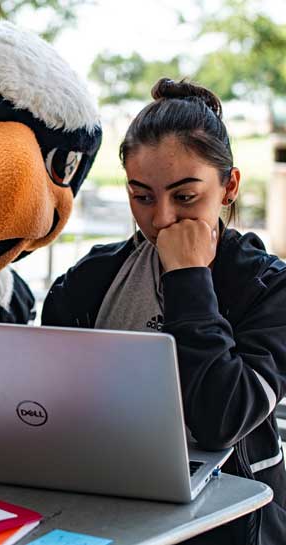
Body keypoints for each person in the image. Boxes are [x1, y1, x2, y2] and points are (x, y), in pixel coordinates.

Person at [42, 79, 286, 545]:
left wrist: (188, 277)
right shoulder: (87, 281)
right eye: (143, 196)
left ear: (229, 186)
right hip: (102, 502)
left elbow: (222, 418)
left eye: (185, 196)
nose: (162, 219)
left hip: (227, 525)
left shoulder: (270, 289)